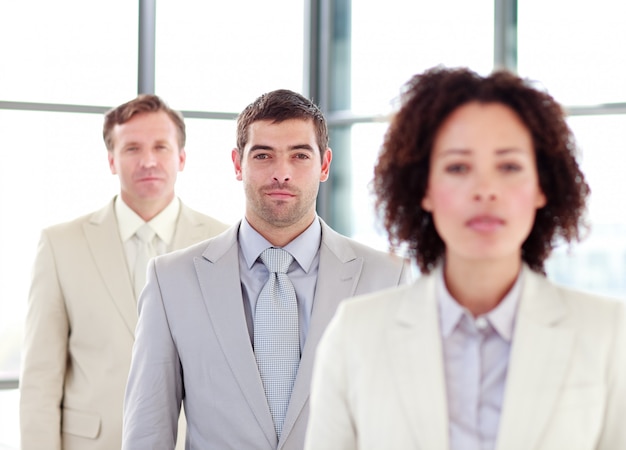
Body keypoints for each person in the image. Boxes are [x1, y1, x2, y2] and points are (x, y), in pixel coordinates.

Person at [305, 67, 626, 450]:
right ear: (424, 188)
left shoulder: (608, 334)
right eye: (458, 167)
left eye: (509, 166)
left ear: (542, 186)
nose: (485, 189)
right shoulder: (355, 335)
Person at [121, 89, 412, 449]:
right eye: (263, 155)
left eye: (299, 155)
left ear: (324, 165)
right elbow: (147, 432)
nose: (281, 173)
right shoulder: (171, 281)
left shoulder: (386, 278)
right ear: (237, 163)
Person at [19, 94, 229, 450]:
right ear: (111, 161)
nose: (148, 160)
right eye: (132, 148)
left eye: (161, 147)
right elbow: (40, 378)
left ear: (181, 157)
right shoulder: (60, 244)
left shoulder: (222, 243)